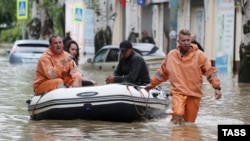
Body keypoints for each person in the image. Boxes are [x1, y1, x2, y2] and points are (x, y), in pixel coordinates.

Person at [145, 29, 222, 125]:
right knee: (178, 113)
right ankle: (175, 134)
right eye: (183, 40)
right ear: (178, 42)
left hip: (194, 94)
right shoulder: (171, 56)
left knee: (189, 124)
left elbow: (210, 72)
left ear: (190, 40)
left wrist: (217, 88)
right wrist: (151, 85)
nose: (186, 43)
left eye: (188, 40)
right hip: (178, 92)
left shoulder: (200, 56)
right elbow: (161, 73)